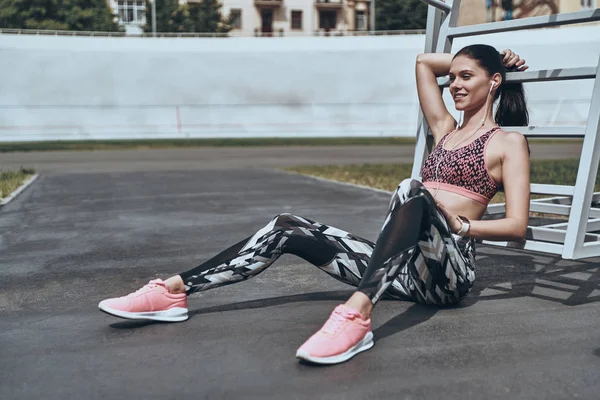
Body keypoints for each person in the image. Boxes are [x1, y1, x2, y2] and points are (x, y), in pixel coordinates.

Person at [99, 44, 531, 365]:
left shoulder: (507, 143)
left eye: (466, 77)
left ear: (493, 82)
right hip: (400, 272)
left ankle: (357, 317)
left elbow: (517, 225)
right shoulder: (444, 129)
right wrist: (484, 60)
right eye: (451, 76)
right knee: (287, 225)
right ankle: (174, 291)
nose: (453, 84)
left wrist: (461, 226)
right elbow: (422, 62)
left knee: (410, 189)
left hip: (448, 275)